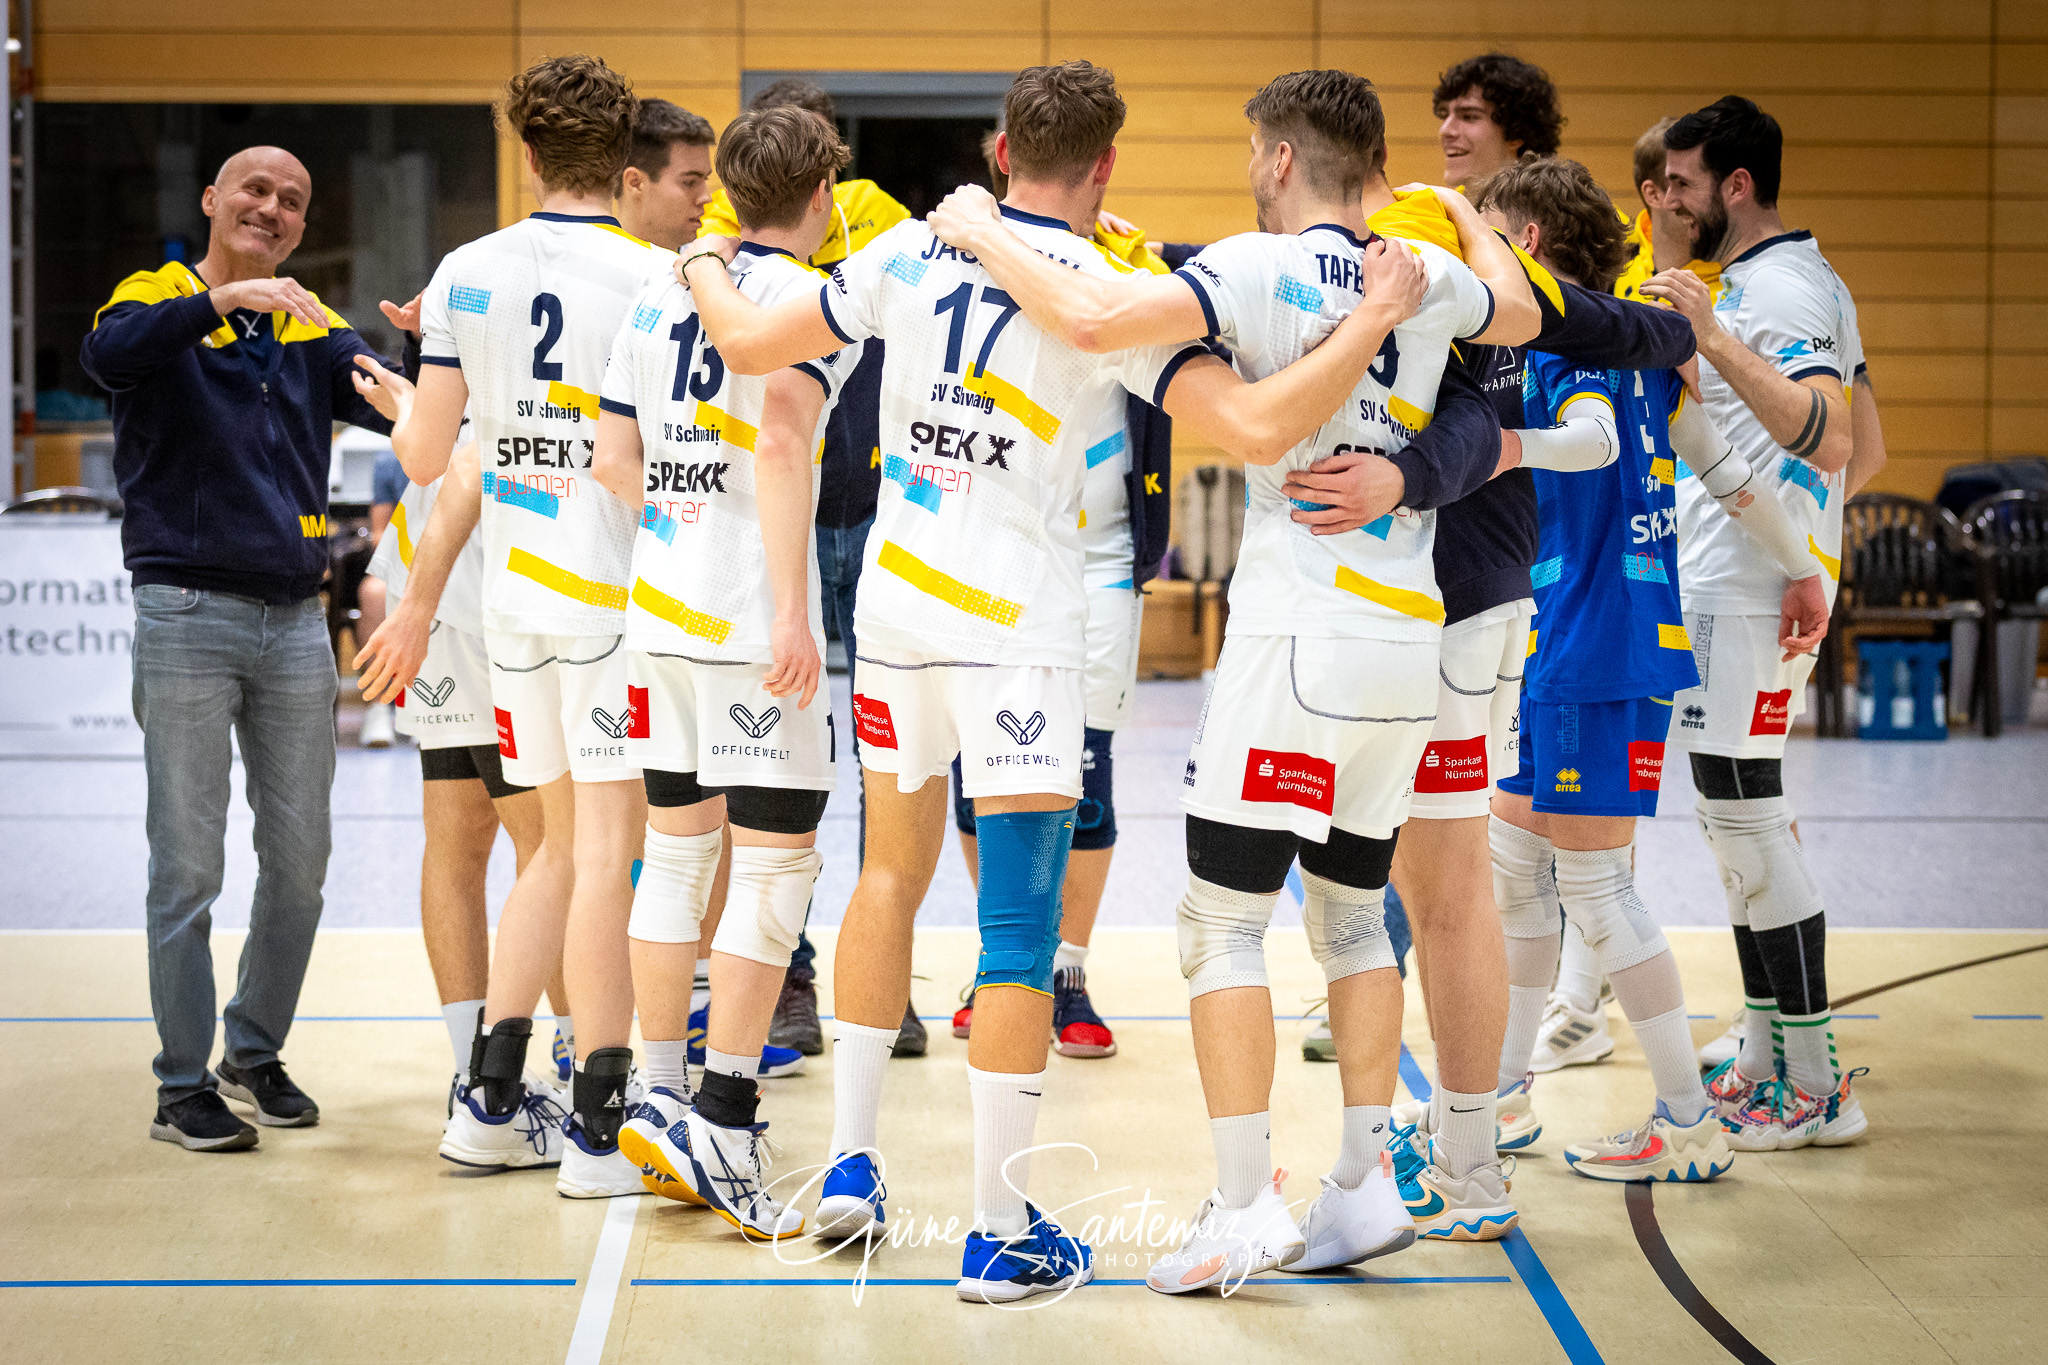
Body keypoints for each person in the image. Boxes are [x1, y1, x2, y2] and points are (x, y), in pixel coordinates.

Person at [689, 58, 1465, 1301]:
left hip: (894, 612)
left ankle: (847, 1168)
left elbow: (741, 340)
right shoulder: (1117, 292)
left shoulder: (904, 257)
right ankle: (997, 1229)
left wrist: (698, 253)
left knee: (884, 874)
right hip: (1024, 637)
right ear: (1105, 167)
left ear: (1000, 152)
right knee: (1013, 926)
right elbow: (1259, 428)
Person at [928, 67, 1536, 1290]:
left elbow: (1093, 321)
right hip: (1404, 634)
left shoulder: (1259, 269)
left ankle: (1242, 1202)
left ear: (1273, 160)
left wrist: (983, 228)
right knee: (1356, 913)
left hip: (1293, 637)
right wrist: (1463, 223)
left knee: (1219, 922)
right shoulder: (1416, 277)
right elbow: (1521, 316)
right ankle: (1360, 1190)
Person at [1474, 155, 1836, 1184]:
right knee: (1515, 861)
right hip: (1555, 637)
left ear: (1524, 245)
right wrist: (1798, 564)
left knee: (1589, 880)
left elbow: (1588, 445)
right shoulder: (1631, 344)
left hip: (1597, 639)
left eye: (1482, 236)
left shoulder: (1576, 346)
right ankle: (1499, 1094)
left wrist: (1491, 450)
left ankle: (1683, 1120)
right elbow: (1722, 469)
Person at [354, 54, 668, 1198]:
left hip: (512, 605)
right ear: (623, 158)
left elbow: (429, 459)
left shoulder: (464, 271)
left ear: (526, 152)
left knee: (543, 851)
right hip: (611, 600)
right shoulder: (661, 275)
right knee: (601, 857)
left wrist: (435, 389)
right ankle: (596, 1127)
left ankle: (488, 1101)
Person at [82, 145, 394, 1151]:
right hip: (183, 613)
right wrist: (226, 303)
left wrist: (431, 351)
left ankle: (252, 1052)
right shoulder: (158, 296)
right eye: (255, 190)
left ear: (302, 228)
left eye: (292, 201)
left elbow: (392, 394)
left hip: (296, 620)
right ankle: (182, 1085)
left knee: (300, 862)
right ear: (215, 201)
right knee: (187, 864)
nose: (272, 207)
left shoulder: (305, 328)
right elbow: (110, 359)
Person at [592, 105, 863, 1240]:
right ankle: (726, 1119)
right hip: (757, 627)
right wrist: (791, 613)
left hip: (658, 611)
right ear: (821, 197)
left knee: (675, 855)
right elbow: (785, 446)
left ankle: (656, 1096)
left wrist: (679, 538)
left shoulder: (651, 293)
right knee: (772, 872)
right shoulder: (809, 303)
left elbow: (613, 460)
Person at [1641, 97, 1872, 1151]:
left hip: (1744, 589)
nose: (1666, 195)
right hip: (1744, 576)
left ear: (1734, 186)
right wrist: (1805, 543)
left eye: (1681, 180)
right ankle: (1766, 1047)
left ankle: (1816, 1080)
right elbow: (1865, 453)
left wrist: (1713, 342)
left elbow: (1824, 438)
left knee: (1749, 821)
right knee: (1735, 822)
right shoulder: (1782, 281)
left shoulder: (1778, 288)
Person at [943, 128, 1184, 1061]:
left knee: (1086, 768)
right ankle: (1004, 959)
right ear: (1005, 154)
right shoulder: (957, 252)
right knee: (985, 770)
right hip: (987, 551)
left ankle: (1067, 965)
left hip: (1102, 549)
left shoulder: (1123, 270)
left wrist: (1144, 253)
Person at [697, 79, 920, 1061]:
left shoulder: (876, 219)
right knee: (773, 771)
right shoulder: (723, 229)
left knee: (882, 758)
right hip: (773, 531)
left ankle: (884, 975)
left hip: (875, 513)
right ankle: (786, 980)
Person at [1434, 53, 1565, 196]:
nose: (1445, 130)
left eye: (1468, 116)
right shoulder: (1438, 210)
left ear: (1516, 133)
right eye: (1445, 115)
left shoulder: (1554, 214)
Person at [615, 99, 717, 252]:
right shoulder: (589, 266)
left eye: (705, 179)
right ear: (635, 182)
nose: (706, 197)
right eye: (689, 182)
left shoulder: (715, 266)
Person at [358, 450, 408, 747]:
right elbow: (380, 532)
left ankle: (424, 705)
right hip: (401, 560)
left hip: (454, 564)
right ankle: (377, 706)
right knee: (374, 592)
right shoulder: (389, 461)